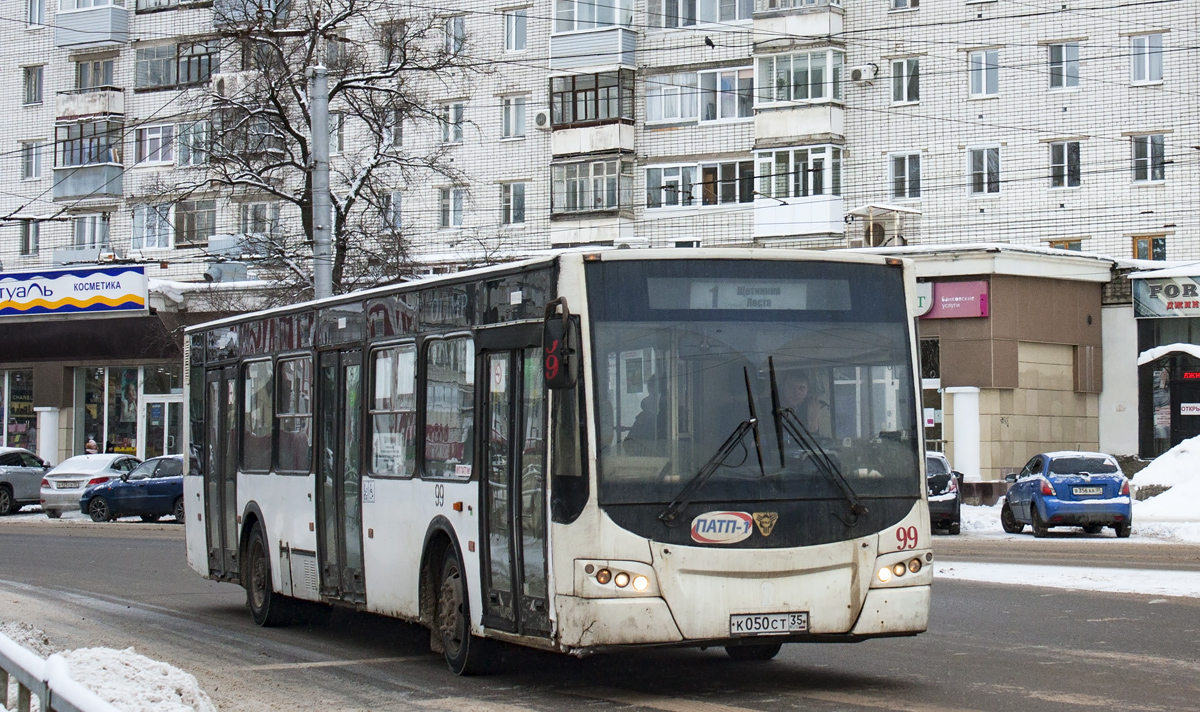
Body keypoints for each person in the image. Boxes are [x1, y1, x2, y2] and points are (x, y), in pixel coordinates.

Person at [779, 371, 830, 438]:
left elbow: (820, 445)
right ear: (782, 388)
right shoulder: (768, 408)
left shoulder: (819, 409)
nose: (796, 392)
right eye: (791, 387)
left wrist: (813, 421)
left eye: (801, 388)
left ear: (807, 390)